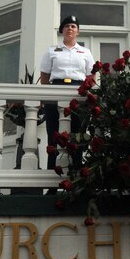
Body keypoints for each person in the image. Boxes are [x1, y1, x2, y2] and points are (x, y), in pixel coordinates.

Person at [39, 15, 94, 170]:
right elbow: (44, 75)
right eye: (67, 26)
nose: (70, 29)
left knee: (77, 134)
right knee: (54, 134)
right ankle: (52, 175)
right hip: (56, 89)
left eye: (73, 26)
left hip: (78, 92)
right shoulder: (52, 51)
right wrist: (46, 96)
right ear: (62, 31)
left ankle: (76, 171)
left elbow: (91, 76)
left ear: (78, 32)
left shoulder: (85, 52)